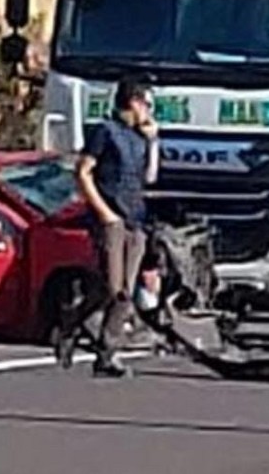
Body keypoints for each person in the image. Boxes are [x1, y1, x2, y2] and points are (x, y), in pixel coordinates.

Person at [74, 77, 159, 378]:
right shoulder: (104, 131)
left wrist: (153, 141)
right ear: (134, 102)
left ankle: (107, 353)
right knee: (114, 288)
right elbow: (83, 172)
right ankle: (76, 320)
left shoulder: (138, 138)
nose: (149, 111)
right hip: (111, 218)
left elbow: (149, 178)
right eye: (148, 104)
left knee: (124, 292)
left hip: (135, 218)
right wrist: (104, 213)